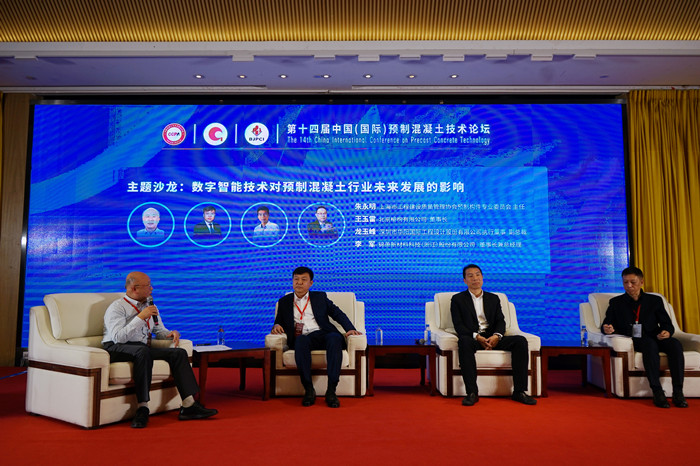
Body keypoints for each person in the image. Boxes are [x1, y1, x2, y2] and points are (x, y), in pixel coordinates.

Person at [102, 271, 218, 428]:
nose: (152, 288)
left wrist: (170, 334)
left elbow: (159, 330)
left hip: (141, 348)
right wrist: (140, 317)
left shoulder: (150, 306)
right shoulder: (117, 307)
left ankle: (189, 405)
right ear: (134, 288)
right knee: (143, 351)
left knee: (179, 353)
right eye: (148, 285)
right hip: (116, 348)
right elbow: (118, 337)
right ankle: (142, 408)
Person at [270, 266, 361, 408]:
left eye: (303, 279)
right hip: (303, 337)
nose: (299, 283)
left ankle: (331, 391)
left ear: (310, 283)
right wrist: (276, 325)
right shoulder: (284, 302)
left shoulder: (320, 297)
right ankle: (308, 390)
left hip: (323, 333)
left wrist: (350, 329)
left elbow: (337, 313)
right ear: (292, 281)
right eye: (296, 279)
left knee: (334, 338)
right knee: (300, 341)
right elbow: (279, 321)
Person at [450, 264, 536, 406]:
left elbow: (500, 321)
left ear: (482, 277)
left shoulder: (494, 298)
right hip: (474, 338)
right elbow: (458, 325)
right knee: (464, 342)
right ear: (465, 280)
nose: (475, 278)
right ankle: (472, 393)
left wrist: (497, 336)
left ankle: (519, 391)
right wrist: (477, 337)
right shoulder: (457, 299)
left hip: (493, 337)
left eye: (478, 274)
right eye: (470, 276)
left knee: (520, 341)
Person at [602, 266, 688, 408]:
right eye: (625, 282)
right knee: (649, 344)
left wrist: (667, 332)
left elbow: (667, 324)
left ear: (641, 282)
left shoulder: (655, 300)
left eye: (633, 282)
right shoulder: (616, 303)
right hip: (635, 340)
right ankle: (657, 392)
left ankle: (678, 392)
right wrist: (607, 328)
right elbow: (607, 323)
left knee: (675, 344)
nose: (629, 286)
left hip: (656, 336)